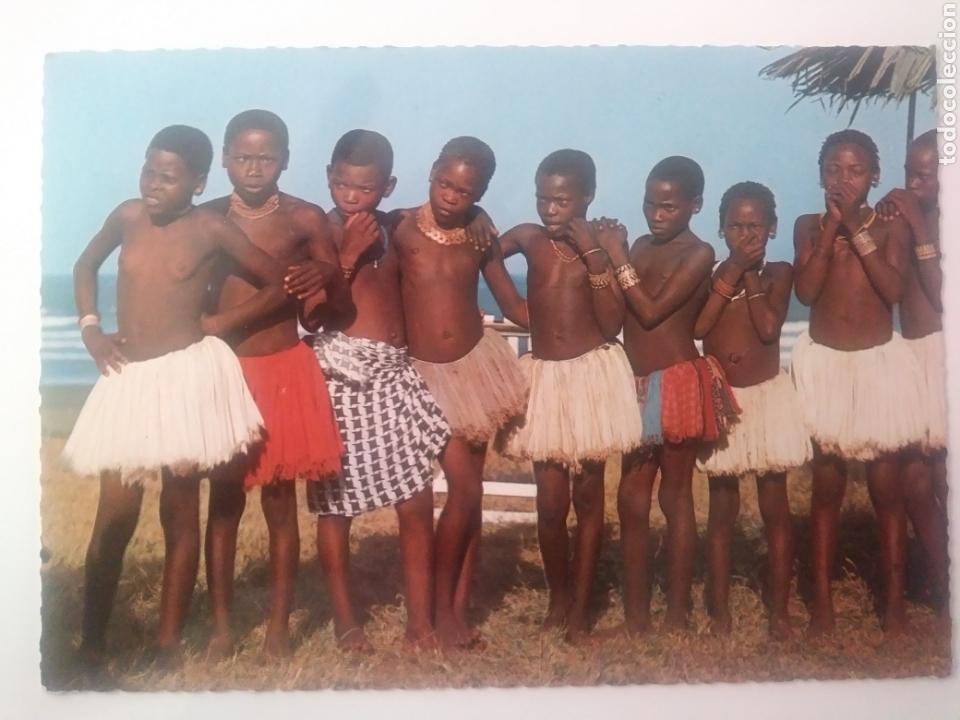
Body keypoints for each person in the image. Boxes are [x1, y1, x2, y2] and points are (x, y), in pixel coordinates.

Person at [62, 125, 288, 666]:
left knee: (179, 511)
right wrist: (91, 329)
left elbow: (280, 282)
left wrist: (222, 321)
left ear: (197, 182)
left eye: (168, 178)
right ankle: (92, 644)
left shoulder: (212, 228)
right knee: (113, 517)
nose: (153, 186)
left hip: (184, 379)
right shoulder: (127, 216)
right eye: (148, 171)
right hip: (129, 379)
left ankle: (168, 641)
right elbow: (85, 264)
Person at [202, 109, 344, 659]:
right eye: (242, 155)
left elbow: (328, 303)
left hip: (282, 368)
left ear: (285, 159)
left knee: (280, 502)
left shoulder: (306, 218)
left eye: (266, 157)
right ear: (224, 158)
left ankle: (280, 628)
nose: (254, 166)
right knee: (223, 502)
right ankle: (220, 628)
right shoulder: (208, 217)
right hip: (224, 372)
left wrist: (325, 278)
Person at [302, 129, 451, 651]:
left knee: (415, 497)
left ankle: (420, 622)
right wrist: (345, 256)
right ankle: (347, 623)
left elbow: (439, 220)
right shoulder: (317, 229)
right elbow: (313, 315)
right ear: (328, 178)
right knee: (335, 505)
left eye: (363, 189)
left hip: (393, 374)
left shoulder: (393, 223)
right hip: (341, 375)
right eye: (341, 184)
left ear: (386, 187)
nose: (350, 196)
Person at [497, 149, 641, 642]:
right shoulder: (528, 238)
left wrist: (596, 251)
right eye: (543, 198)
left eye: (562, 200)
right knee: (550, 503)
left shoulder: (598, 244)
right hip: (546, 380)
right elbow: (482, 254)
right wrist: (516, 308)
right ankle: (558, 598)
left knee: (588, 496)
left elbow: (612, 322)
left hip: (589, 379)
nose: (550, 209)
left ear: (587, 198)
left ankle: (581, 607)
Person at [393, 136, 529, 648]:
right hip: (419, 374)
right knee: (433, 496)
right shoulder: (400, 227)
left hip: (473, 370)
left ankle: (455, 610)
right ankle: (425, 614)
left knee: (467, 495)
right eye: (444, 183)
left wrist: (577, 326)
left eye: (465, 190)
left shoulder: (479, 233)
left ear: (482, 192)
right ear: (430, 173)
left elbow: (513, 304)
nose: (451, 195)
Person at [791, 129, 922, 637]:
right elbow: (805, 290)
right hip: (825, 362)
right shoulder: (808, 226)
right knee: (826, 485)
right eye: (833, 171)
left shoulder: (888, 227)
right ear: (820, 173)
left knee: (886, 485)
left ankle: (893, 605)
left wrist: (857, 230)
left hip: (877, 363)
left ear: (874, 176)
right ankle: (822, 604)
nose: (843, 180)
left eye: (855, 171)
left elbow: (892, 289)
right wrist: (831, 231)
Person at [604, 155, 739, 634]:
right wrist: (605, 253)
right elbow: (616, 309)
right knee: (631, 498)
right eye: (649, 204)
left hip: (678, 381)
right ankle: (637, 617)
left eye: (668, 207)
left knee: (674, 497)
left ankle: (678, 614)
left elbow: (651, 311)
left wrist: (617, 255)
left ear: (694, 205)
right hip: (637, 384)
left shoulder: (699, 253)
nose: (655, 215)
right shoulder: (639, 243)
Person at [694, 181, 811, 639]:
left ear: (773, 228)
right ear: (722, 229)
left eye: (756, 226)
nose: (746, 235)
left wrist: (746, 273)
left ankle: (779, 612)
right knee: (722, 509)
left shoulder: (779, 273)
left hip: (766, 397)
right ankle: (719, 611)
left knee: (775, 507)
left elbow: (766, 328)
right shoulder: (712, 276)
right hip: (728, 400)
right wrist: (731, 272)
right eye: (737, 226)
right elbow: (702, 327)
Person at [875, 129, 949, 618]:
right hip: (913, 355)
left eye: (926, 174)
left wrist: (920, 226)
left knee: (945, 478)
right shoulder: (901, 220)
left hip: (946, 356)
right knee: (917, 480)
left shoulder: (942, 222)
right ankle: (943, 575)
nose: (914, 183)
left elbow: (942, 296)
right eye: (909, 173)